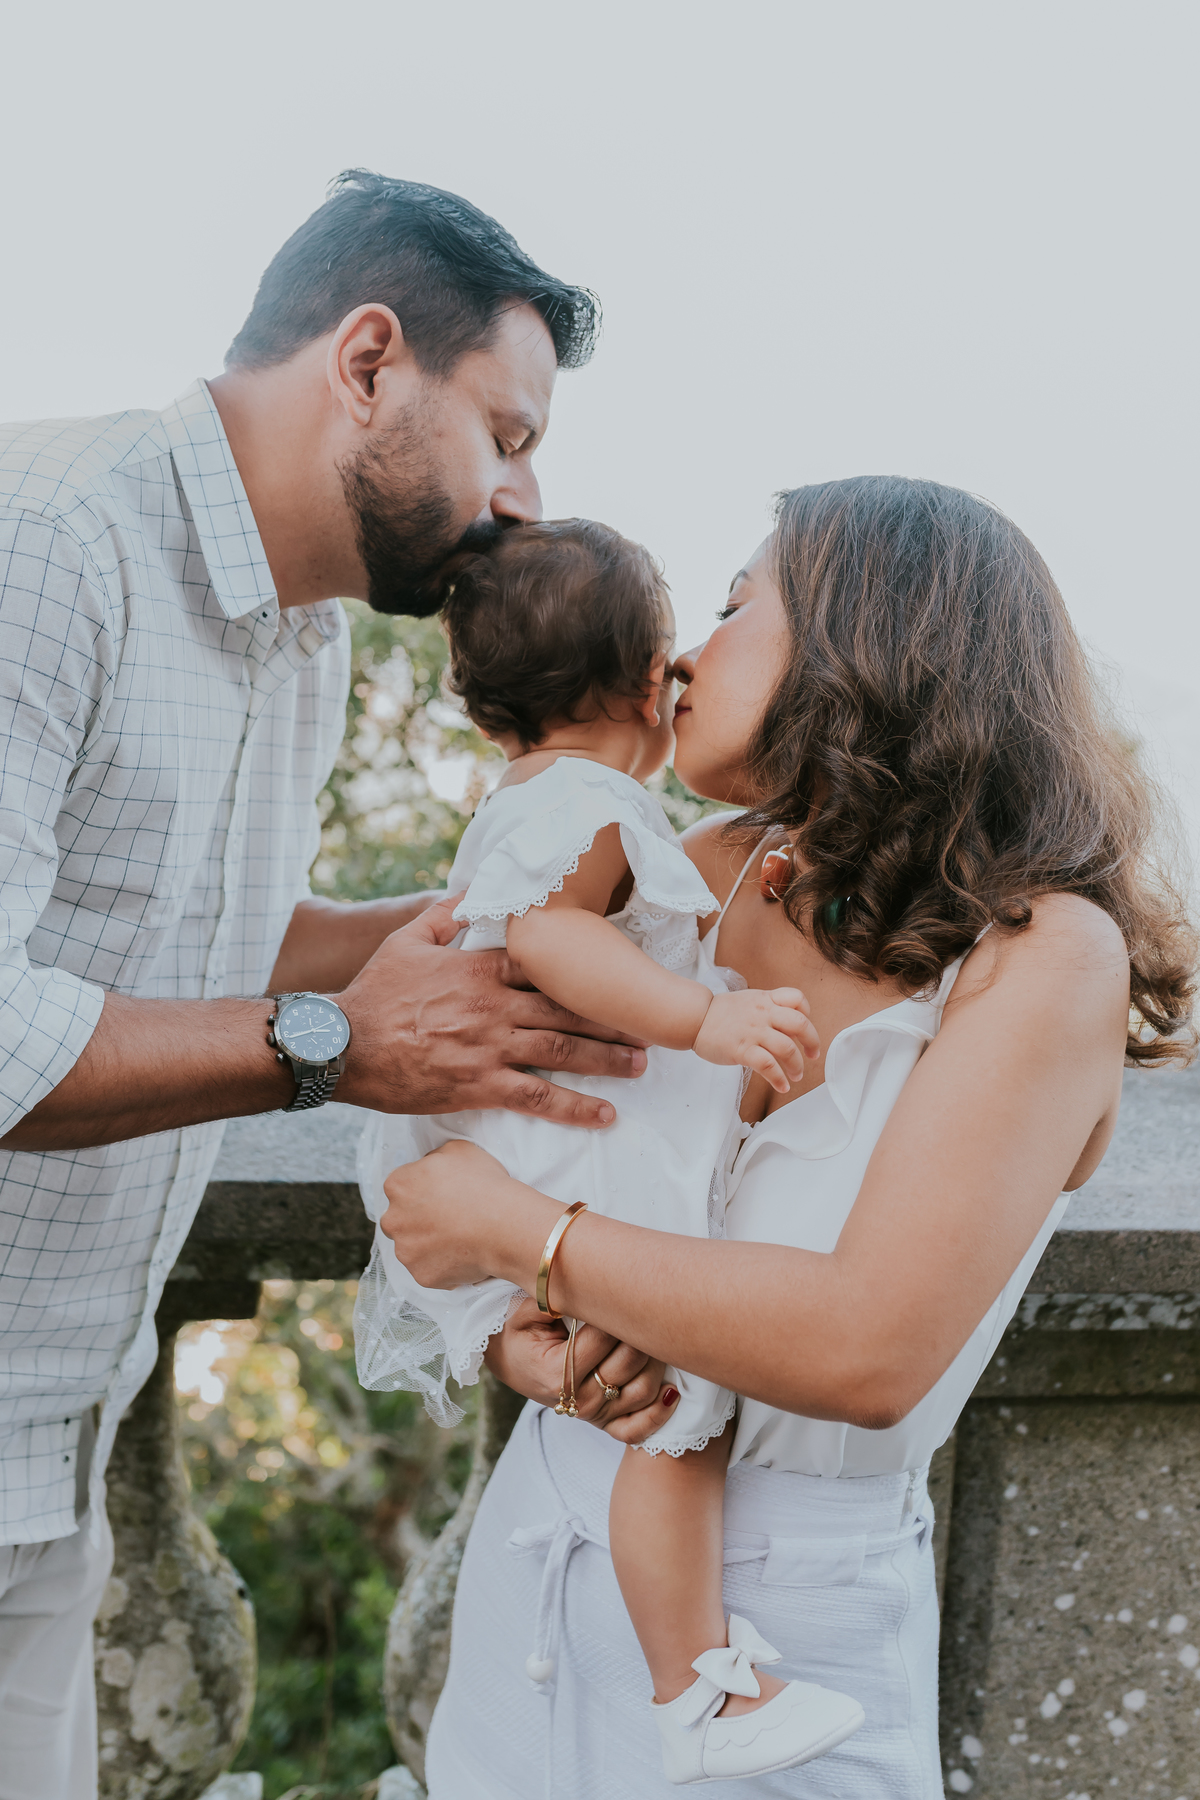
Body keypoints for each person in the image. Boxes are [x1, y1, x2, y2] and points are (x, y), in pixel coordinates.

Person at [377, 476, 1197, 1797]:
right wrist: (531, 1345)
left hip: (782, 1657)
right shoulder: (683, 875)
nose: (685, 655)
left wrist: (520, 1235)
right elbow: (515, 1123)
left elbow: (866, 1344)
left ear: (871, 636)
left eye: (734, 603)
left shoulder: (1043, 959)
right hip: (536, 1578)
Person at [0, 171, 644, 1800]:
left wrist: (512, 908)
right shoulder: (49, 543)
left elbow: (203, 941)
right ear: (367, 362)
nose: (521, 496)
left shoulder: (309, 640)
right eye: (506, 432)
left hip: (56, 1462)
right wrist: (340, 1050)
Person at [355, 518, 864, 1784]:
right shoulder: (593, 803)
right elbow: (546, 941)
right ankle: (695, 1688)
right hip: (565, 1159)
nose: (696, 655)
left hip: (531, 1160)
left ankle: (694, 1683)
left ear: (486, 715)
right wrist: (706, 1016)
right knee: (677, 1413)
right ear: (650, 682)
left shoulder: (542, 793)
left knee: (659, 1413)